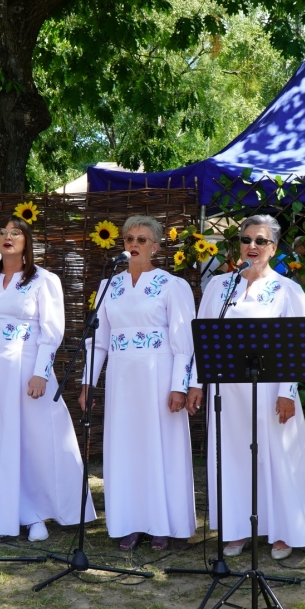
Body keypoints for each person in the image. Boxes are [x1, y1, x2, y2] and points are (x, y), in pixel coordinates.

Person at [186, 214, 305, 562]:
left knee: (275, 459)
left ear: (274, 247)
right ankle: (236, 529)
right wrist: (195, 383)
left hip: (269, 391)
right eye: (246, 239)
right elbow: (200, 339)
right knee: (231, 458)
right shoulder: (219, 286)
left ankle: (283, 531)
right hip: (226, 393)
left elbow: (297, 348)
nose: (252, 246)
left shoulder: (288, 290)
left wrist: (287, 393)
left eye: (260, 241)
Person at [0, 216, 96, 543]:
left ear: (26, 240)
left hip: (26, 364)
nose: (7, 237)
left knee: (34, 439)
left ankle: (35, 515)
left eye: (14, 233)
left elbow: (53, 330)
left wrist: (40, 373)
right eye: (2, 232)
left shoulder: (43, 279)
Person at [80, 216, 197, 551]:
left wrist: (179, 385)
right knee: (126, 448)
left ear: (156, 247)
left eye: (142, 240)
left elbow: (183, 341)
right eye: (129, 238)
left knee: (160, 448)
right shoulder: (109, 287)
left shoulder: (172, 285)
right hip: (121, 381)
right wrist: (88, 381)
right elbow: (99, 341)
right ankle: (130, 521)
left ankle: (162, 523)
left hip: (158, 379)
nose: (134, 244)